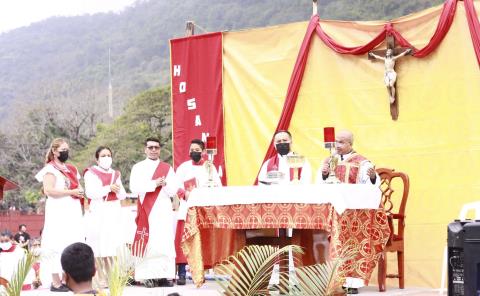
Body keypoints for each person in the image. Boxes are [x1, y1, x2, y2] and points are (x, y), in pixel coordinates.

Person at [316, 129, 379, 294]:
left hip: (355, 214)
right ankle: (334, 281)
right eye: (336, 141)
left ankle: (353, 283)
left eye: (341, 142)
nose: (337, 145)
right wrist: (323, 174)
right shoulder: (330, 160)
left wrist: (372, 177)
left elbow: (372, 185)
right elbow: (320, 183)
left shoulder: (362, 162)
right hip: (334, 213)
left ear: (351, 144)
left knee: (354, 242)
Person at [129, 137, 183, 287]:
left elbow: (174, 190)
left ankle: (165, 276)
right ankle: (148, 276)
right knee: (149, 242)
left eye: (156, 147)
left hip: (163, 209)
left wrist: (164, 184)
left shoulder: (167, 168)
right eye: (151, 147)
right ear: (145, 149)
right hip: (147, 210)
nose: (153, 150)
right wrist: (154, 183)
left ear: (160, 149)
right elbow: (134, 187)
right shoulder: (138, 167)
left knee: (164, 241)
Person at [35, 138, 85, 292]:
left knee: (71, 242)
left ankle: (67, 279)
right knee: (56, 242)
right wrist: (71, 192)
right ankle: (56, 282)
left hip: (73, 210)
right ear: (55, 151)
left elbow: (78, 186)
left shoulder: (72, 169)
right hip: (58, 210)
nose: (66, 152)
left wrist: (80, 191)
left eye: (67, 149)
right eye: (63, 149)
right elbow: (49, 190)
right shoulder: (50, 169)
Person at [174, 139, 222, 285]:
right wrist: (185, 194)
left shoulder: (209, 167)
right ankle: (181, 273)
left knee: (201, 241)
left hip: (203, 209)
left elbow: (217, 186)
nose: (193, 152)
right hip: (186, 207)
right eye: (191, 149)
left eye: (197, 150)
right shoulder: (183, 167)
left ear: (202, 152)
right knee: (183, 240)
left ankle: (201, 273)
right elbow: (175, 185)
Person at [84, 146, 127, 284]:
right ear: (97, 159)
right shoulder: (91, 173)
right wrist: (109, 188)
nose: (107, 158)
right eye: (103, 155)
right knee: (98, 245)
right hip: (98, 210)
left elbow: (123, 194)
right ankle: (98, 278)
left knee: (112, 244)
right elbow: (91, 193)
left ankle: (112, 277)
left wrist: (117, 190)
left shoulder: (115, 174)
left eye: (109, 155)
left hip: (113, 211)